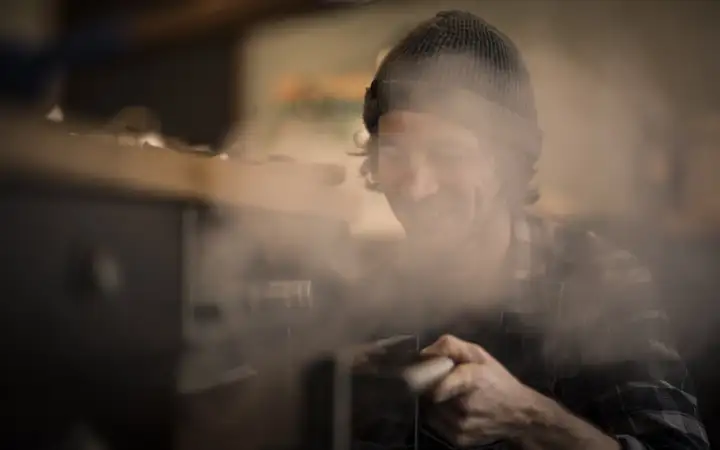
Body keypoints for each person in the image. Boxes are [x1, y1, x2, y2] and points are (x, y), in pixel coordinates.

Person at [352, 10, 709, 450]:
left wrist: (530, 419)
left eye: (448, 154)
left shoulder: (597, 280)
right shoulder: (371, 290)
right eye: (395, 154)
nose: (418, 187)